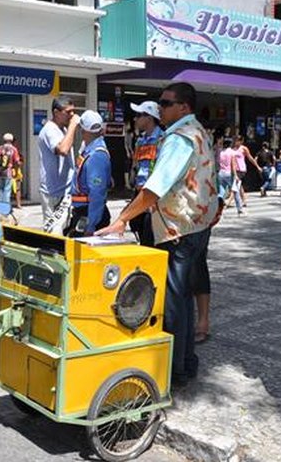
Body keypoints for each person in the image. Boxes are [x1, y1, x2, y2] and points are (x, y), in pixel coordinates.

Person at [96, 82, 221, 388]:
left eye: (166, 103)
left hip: (178, 229)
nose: (161, 107)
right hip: (197, 225)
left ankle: (174, 369)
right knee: (184, 298)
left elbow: (155, 187)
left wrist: (122, 219)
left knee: (173, 302)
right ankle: (187, 362)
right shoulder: (199, 132)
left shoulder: (180, 138)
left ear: (184, 108)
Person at [65, 110, 112, 237]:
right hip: (84, 212)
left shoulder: (96, 155)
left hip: (90, 214)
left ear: (82, 130)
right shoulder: (89, 150)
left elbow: (97, 193)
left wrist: (91, 225)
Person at [38, 97, 80, 234]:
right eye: (68, 112)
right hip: (53, 193)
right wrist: (73, 126)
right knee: (54, 233)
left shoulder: (62, 129)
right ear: (56, 112)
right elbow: (62, 150)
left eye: (74, 112)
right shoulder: (50, 129)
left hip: (65, 191)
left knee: (65, 230)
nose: (72, 115)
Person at [128, 100, 163, 246]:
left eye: (139, 115)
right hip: (139, 193)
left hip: (153, 197)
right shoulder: (140, 141)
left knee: (151, 239)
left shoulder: (163, 140)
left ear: (149, 117)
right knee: (136, 225)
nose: (135, 119)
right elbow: (136, 165)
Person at [0, 133, 21, 206]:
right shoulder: (14, 149)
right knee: (7, 190)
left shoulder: (0, 148)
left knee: (1, 189)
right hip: (9, 172)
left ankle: (1, 206)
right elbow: (17, 161)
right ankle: (5, 208)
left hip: (0, 171)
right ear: (11, 140)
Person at [234, 135, 262, 207]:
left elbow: (250, 158)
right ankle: (243, 201)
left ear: (241, 141)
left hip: (241, 169)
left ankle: (234, 202)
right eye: (235, 140)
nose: (236, 142)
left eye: (237, 140)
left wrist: (257, 166)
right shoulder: (232, 148)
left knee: (236, 185)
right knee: (239, 186)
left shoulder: (243, 149)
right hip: (234, 169)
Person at [218, 139, 242, 215]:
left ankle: (220, 200)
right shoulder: (232, 153)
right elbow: (233, 165)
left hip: (221, 172)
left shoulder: (220, 152)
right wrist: (236, 175)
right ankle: (239, 208)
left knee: (222, 189)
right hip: (229, 173)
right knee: (235, 190)